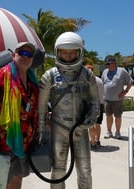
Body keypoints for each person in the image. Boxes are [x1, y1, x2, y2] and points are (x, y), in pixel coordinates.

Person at [38, 32, 100, 189]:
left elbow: (95, 101)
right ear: (58, 52)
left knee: (85, 170)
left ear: (79, 52)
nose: (68, 56)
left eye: (72, 52)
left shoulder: (87, 74)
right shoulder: (50, 76)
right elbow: (41, 106)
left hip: (80, 128)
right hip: (59, 128)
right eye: (64, 52)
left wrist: (91, 119)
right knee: (58, 171)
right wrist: (40, 129)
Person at [0, 42, 39, 189]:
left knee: (17, 179)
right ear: (13, 55)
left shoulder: (32, 80)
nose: (25, 57)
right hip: (3, 142)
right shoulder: (0, 76)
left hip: (23, 142)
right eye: (22, 53)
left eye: (29, 55)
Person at [101, 57, 133, 139]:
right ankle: (109, 131)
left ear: (114, 63)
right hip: (107, 99)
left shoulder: (121, 71)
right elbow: (102, 83)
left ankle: (118, 132)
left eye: (109, 64)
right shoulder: (105, 71)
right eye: (107, 64)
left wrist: (125, 92)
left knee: (118, 116)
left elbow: (130, 81)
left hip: (118, 99)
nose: (108, 66)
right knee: (108, 116)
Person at [86, 64, 104, 149]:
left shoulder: (87, 81)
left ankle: (92, 143)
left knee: (91, 125)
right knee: (97, 124)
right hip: (100, 103)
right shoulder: (99, 80)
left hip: (91, 104)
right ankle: (97, 140)